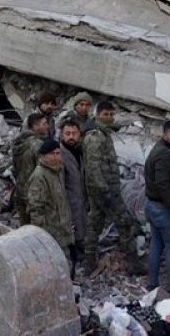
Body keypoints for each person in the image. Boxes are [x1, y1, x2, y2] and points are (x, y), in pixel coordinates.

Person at [81, 100, 139, 272]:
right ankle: (133, 262)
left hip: (107, 188)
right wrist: (104, 191)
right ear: (97, 115)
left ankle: (89, 262)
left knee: (95, 223)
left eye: (111, 114)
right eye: (105, 114)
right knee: (124, 223)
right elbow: (93, 168)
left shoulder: (104, 134)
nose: (109, 118)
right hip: (104, 190)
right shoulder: (95, 137)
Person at [144, 120, 170, 295]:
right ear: (165, 134)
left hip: (153, 206)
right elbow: (162, 184)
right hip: (162, 208)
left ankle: (153, 284)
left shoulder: (159, 149)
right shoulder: (165, 154)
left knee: (156, 245)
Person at [26, 138, 75, 261]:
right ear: (43, 156)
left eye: (58, 153)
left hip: (63, 228)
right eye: (52, 154)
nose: (55, 157)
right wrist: (41, 235)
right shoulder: (39, 176)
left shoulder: (58, 171)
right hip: (50, 230)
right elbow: (35, 208)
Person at [58, 120, 88, 270]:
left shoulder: (79, 151)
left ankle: (80, 253)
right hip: (68, 201)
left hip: (80, 199)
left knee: (81, 226)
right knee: (70, 231)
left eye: (74, 133)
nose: (71, 137)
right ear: (61, 135)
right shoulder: (59, 155)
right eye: (67, 133)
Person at [12, 111, 51, 225]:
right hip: (35, 195)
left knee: (25, 229)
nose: (47, 126)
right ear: (35, 126)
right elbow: (43, 172)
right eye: (44, 124)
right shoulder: (38, 145)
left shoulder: (18, 143)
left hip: (21, 191)